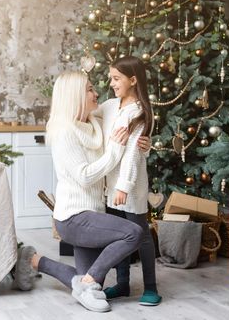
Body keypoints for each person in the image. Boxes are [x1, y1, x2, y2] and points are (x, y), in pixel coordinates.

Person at [16, 71, 145, 313]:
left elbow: (125, 117)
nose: (96, 93)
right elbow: (85, 175)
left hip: (92, 216)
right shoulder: (64, 132)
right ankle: (89, 282)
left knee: (85, 279)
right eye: (89, 89)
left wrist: (142, 144)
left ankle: (34, 260)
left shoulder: (94, 123)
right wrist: (115, 149)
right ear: (74, 95)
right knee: (133, 234)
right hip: (73, 218)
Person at [96, 56, 161, 306]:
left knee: (141, 236)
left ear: (133, 80)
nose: (111, 83)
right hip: (110, 185)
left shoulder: (140, 112)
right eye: (110, 78)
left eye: (116, 78)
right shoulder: (110, 105)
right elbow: (90, 115)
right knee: (118, 236)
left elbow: (134, 154)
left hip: (130, 187)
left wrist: (123, 186)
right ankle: (122, 284)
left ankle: (151, 288)